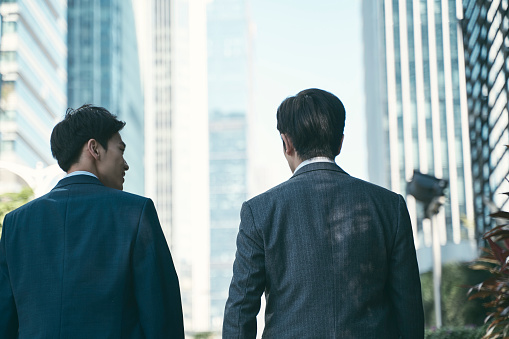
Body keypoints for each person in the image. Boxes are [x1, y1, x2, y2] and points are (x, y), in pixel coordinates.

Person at [223, 89, 424, 338]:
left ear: (287, 143)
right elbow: (409, 309)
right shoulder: (389, 206)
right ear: (340, 142)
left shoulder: (260, 211)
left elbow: (240, 310)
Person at [0, 105, 184, 338]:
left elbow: (4, 321)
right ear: (94, 148)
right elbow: (162, 319)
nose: (126, 164)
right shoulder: (136, 212)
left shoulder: (16, 224)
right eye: (121, 150)